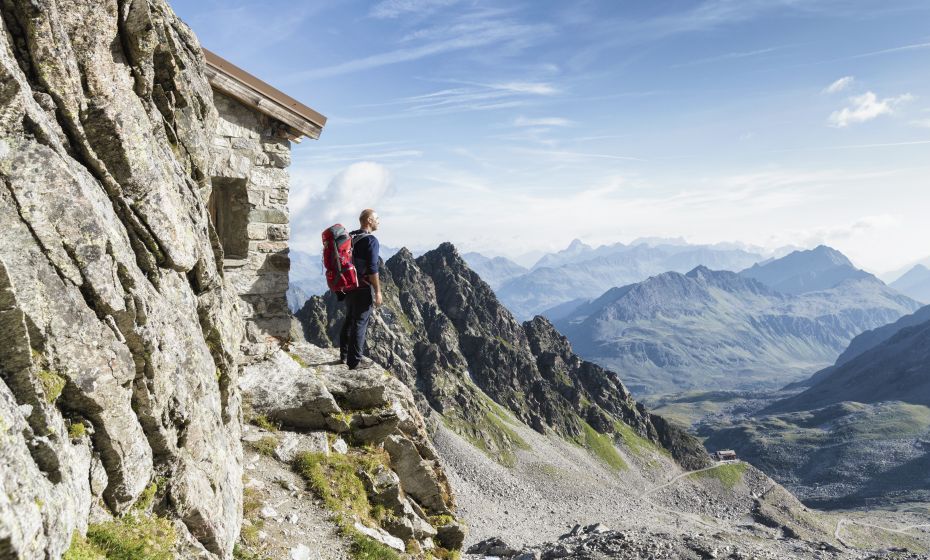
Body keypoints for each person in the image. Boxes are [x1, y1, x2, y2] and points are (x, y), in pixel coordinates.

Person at [339, 208, 383, 369]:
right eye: (377, 218)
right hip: (362, 287)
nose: (379, 221)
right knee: (360, 322)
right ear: (369, 220)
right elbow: (372, 268)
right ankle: (354, 362)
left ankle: (344, 356)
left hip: (348, 285)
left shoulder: (350, 236)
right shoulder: (371, 240)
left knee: (350, 319)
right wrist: (377, 291)